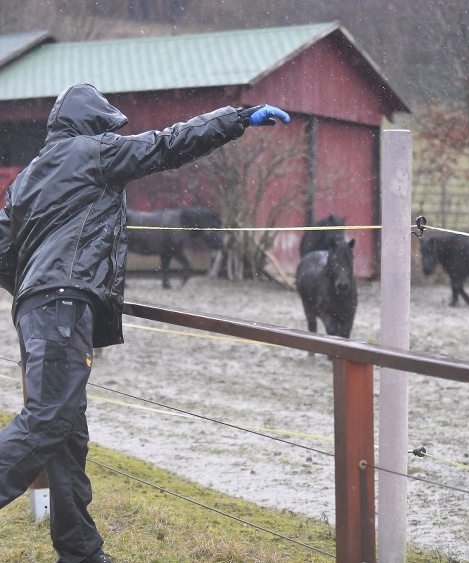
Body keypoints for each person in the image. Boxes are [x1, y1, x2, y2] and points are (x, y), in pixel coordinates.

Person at [0, 83, 289, 563]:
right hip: (63, 304)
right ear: (95, 123)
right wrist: (238, 118)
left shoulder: (25, 180)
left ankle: (80, 552)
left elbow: (1, 251)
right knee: (50, 419)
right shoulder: (93, 152)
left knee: (65, 430)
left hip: (35, 309)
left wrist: (33, 288)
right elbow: (169, 143)